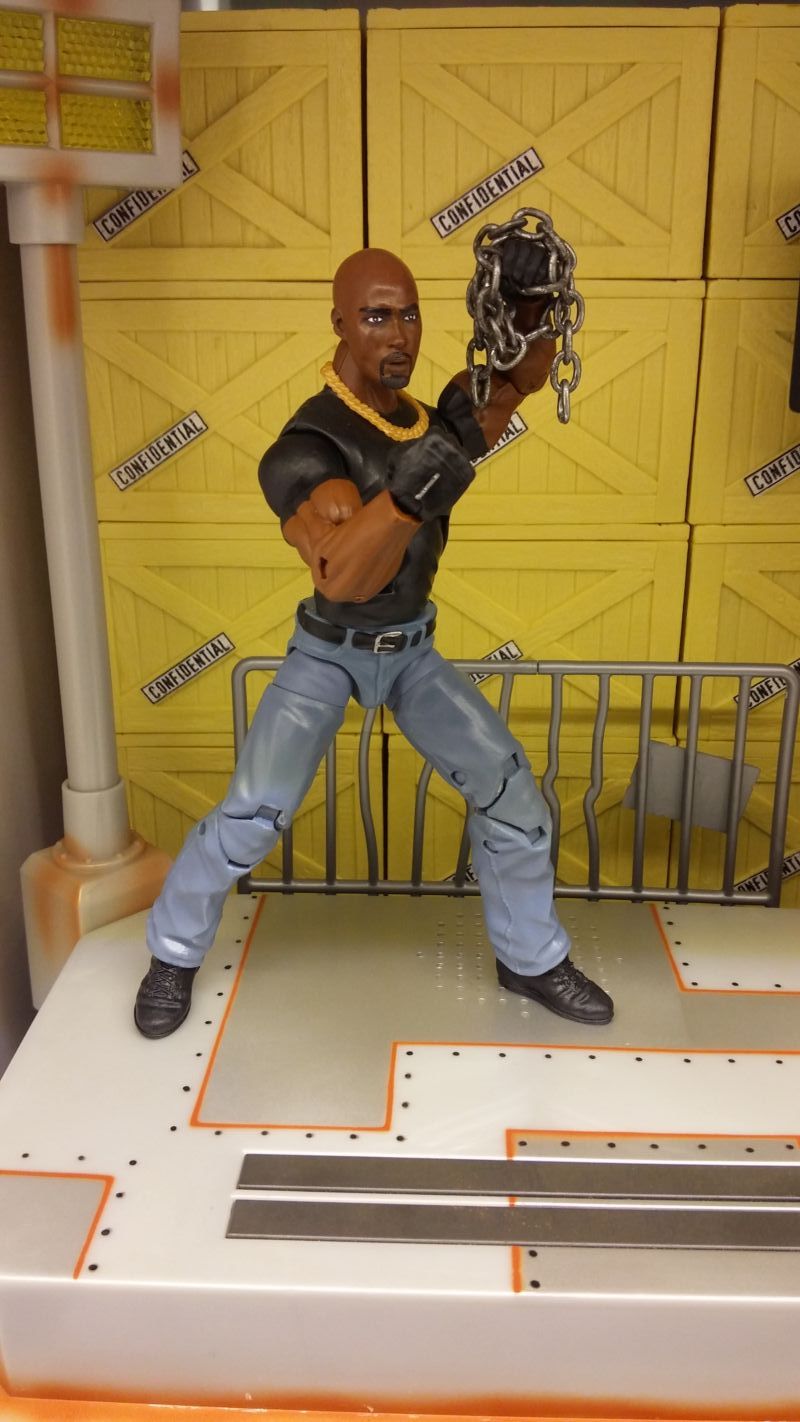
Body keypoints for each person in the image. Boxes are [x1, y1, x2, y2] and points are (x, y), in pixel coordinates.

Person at [134, 245, 613, 1039]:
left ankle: (530, 958)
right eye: (377, 316)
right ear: (341, 325)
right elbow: (339, 574)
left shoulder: (430, 422)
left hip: (413, 654)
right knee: (254, 813)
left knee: (510, 791)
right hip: (329, 653)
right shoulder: (308, 448)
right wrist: (402, 500)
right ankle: (172, 954)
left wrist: (530, 307)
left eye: (410, 314)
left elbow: (515, 384)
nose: (399, 335)